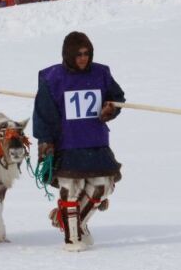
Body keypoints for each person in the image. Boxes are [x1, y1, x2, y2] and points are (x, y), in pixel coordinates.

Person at [32, 32, 125, 251]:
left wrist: (110, 108)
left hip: (96, 142)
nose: (83, 58)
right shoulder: (52, 78)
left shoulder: (101, 73)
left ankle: (76, 223)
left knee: (102, 186)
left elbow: (117, 97)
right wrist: (46, 142)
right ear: (68, 54)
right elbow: (43, 113)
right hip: (68, 143)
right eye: (78, 54)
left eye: (86, 53)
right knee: (71, 189)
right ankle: (72, 239)